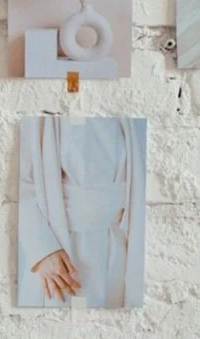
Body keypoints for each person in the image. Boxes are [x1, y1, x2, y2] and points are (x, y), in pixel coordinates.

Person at [18, 116, 146, 309]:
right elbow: (18, 181)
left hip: (117, 245)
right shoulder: (41, 107)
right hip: (61, 248)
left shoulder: (123, 107)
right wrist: (42, 249)